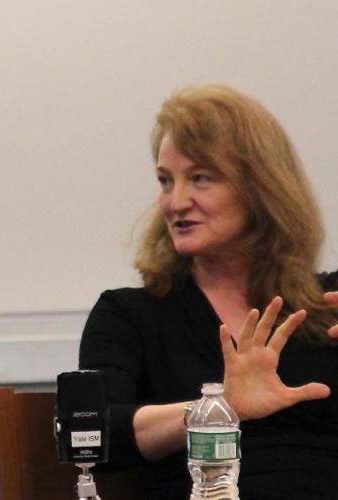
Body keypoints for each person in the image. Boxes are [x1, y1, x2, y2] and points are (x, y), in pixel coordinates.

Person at [79, 84, 338, 499]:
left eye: (200, 178)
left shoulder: (328, 307)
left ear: (260, 187)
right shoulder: (130, 314)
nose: (176, 202)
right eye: (166, 181)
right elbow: (95, 434)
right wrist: (217, 409)